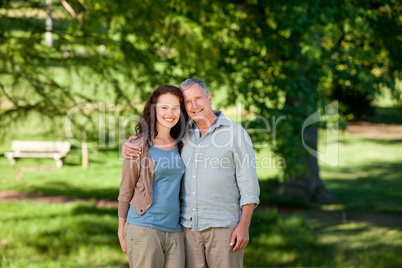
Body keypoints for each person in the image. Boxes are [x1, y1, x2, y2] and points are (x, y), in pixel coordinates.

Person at [122, 79, 260, 268]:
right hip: (188, 229)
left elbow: (249, 184)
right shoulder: (184, 133)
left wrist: (244, 226)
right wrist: (130, 144)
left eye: (198, 98)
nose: (194, 106)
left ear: (209, 98)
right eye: (187, 102)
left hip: (224, 228)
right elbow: (156, 142)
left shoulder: (236, 133)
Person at [117, 84, 188, 268]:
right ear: (153, 109)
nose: (169, 113)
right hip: (144, 227)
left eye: (175, 108)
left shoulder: (182, 143)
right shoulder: (138, 145)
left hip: (175, 231)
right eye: (164, 107)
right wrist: (121, 229)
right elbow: (126, 189)